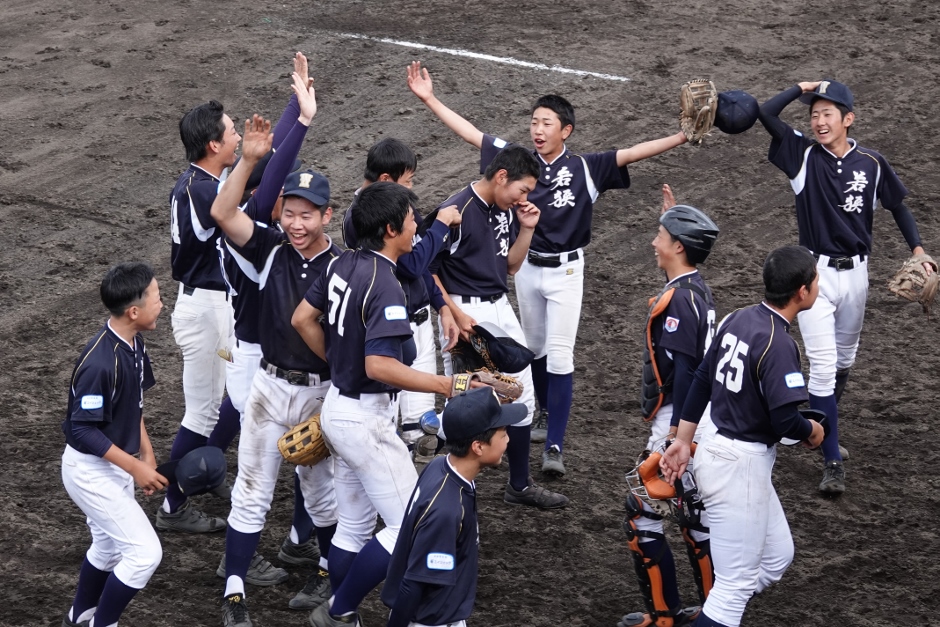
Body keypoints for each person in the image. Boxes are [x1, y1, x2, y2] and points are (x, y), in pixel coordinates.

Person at [408, 61, 689, 476]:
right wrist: (430, 99)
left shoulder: (584, 167)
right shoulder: (517, 162)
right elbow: (471, 133)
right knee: (532, 350)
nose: (538, 130)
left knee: (557, 355)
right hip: (523, 271)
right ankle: (524, 421)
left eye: (547, 123)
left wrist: (682, 137)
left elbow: (633, 152)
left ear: (566, 130)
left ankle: (552, 442)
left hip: (565, 272)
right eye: (534, 122)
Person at [293, 181, 486, 627]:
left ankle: (342, 614)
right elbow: (379, 366)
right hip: (365, 421)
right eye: (412, 220)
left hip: (339, 409)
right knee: (410, 527)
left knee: (353, 526)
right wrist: (447, 384)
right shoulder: (385, 284)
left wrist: (340, 362)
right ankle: (338, 612)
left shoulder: (341, 262)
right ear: (390, 230)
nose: (417, 226)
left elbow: (302, 318)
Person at [757, 79, 933, 495]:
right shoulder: (802, 156)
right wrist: (801, 86)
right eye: (814, 114)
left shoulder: (871, 162)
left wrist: (919, 249)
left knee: (843, 361)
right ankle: (831, 459)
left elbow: (897, 206)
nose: (819, 121)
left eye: (827, 114)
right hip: (813, 275)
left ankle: (819, 426)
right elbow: (766, 113)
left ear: (847, 119)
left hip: (857, 275)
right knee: (822, 365)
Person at [210, 105, 341, 627]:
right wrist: (247, 161)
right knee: (251, 493)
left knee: (322, 494)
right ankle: (234, 592)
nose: (296, 223)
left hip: (320, 394)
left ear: (327, 215)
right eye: (290, 212)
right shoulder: (268, 248)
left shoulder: (343, 267)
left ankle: (329, 575)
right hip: (268, 387)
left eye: (308, 214)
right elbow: (223, 213)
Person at [660, 245, 826, 627]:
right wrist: (813, 431)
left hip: (720, 451)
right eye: (816, 280)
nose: (819, 285)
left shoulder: (738, 317)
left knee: (777, 556)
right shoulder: (779, 344)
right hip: (740, 467)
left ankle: (713, 614)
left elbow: (703, 378)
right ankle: (717, 613)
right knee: (733, 589)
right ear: (802, 291)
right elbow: (785, 422)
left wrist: (683, 440)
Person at [427, 144, 568, 509]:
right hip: (466, 313)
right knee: (467, 401)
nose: (524, 198)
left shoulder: (505, 212)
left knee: (521, 393)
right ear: (502, 177)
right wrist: (451, 313)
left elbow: (510, 266)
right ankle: (432, 462)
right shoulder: (456, 210)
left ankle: (519, 485)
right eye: (523, 189)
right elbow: (426, 269)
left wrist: (527, 229)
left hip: (500, 307)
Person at [619, 188, 718, 627]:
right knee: (695, 515)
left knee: (641, 512)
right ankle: (715, 613)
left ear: (679, 247)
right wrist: (672, 220)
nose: (652, 242)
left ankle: (665, 616)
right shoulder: (695, 288)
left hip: (679, 422)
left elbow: (687, 372)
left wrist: (677, 437)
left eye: (660, 236)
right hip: (701, 420)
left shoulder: (678, 300)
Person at [60, 262, 166, 627]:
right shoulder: (100, 364)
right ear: (134, 311)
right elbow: (83, 431)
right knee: (144, 553)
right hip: (90, 471)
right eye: (156, 297)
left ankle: (78, 618)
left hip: (114, 463)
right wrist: (135, 467)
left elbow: (132, 405)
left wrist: (146, 453)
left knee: (107, 547)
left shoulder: (134, 344)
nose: (162, 304)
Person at [341, 138, 461, 458]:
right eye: (408, 181)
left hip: (417, 322)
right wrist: (441, 226)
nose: (411, 188)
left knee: (423, 429)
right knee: (391, 429)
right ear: (386, 179)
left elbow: (421, 270)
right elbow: (412, 265)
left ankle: (410, 482)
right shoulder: (360, 217)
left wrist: (442, 307)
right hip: (390, 331)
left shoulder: (399, 203)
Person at [381, 387, 524, 627]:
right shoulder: (446, 511)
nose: (508, 439)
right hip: (431, 620)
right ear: (478, 447)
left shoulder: (440, 466)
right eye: (503, 433)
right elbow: (413, 584)